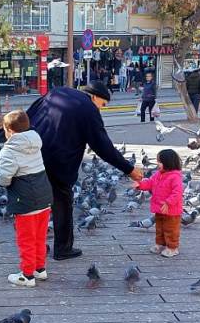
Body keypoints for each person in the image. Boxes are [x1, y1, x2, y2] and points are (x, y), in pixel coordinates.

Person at [27, 80, 143, 261]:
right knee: (62, 203)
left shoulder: (57, 91)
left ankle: (33, 247)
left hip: (33, 156)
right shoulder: (89, 110)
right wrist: (129, 169)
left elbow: (30, 114)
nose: (101, 109)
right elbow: (103, 146)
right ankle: (63, 249)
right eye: (103, 104)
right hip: (59, 163)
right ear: (95, 97)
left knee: (35, 204)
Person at [0, 110, 53, 287]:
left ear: (8, 130)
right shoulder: (34, 142)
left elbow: (4, 179)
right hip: (43, 196)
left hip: (25, 200)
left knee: (26, 239)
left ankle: (27, 275)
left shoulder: (10, 150)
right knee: (40, 236)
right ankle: (39, 269)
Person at [135, 149, 183, 257]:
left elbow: (177, 193)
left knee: (171, 229)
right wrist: (139, 184)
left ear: (168, 162)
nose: (158, 164)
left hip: (171, 210)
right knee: (159, 228)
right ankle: (161, 244)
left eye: (160, 161)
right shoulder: (158, 174)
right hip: (159, 208)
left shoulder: (175, 177)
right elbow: (149, 183)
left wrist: (168, 203)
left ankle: (172, 247)